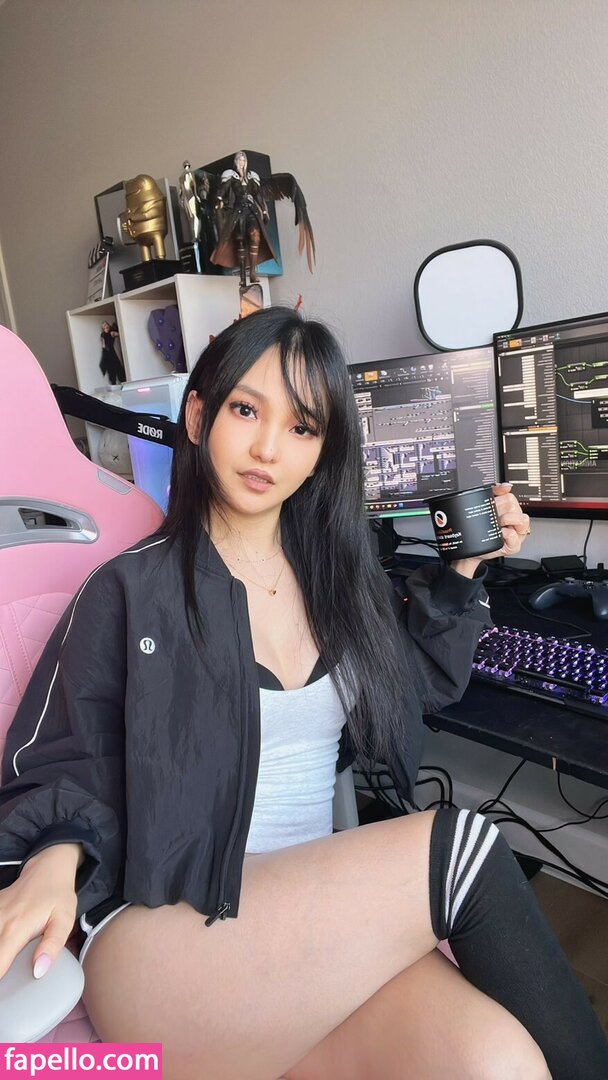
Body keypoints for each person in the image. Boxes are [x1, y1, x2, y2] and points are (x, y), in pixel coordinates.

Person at [0, 307, 607, 1080]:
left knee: (500, 1062)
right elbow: (65, 757)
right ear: (199, 416)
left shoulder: (338, 586)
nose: (267, 448)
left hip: (307, 925)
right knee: (462, 848)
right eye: (245, 411)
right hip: (168, 930)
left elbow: (406, 690)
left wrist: (463, 573)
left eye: (301, 427)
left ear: (323, 452)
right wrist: (54, 858)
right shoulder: (131, 591)